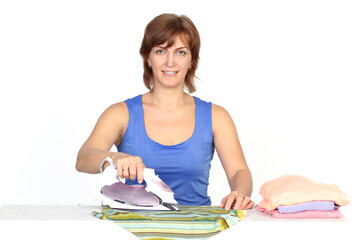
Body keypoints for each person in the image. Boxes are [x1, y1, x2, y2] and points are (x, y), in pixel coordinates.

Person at [76, 13, 254, 210]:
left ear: (192, 60)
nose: (170, 62)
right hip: (133, 226)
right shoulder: (120, 114)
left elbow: (239, 171)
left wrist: (239, 193)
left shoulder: (216, 117)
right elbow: (83, 159)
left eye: (180, 52)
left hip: (196, 229)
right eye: (161, 51)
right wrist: (113, 158)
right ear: (148, 59)